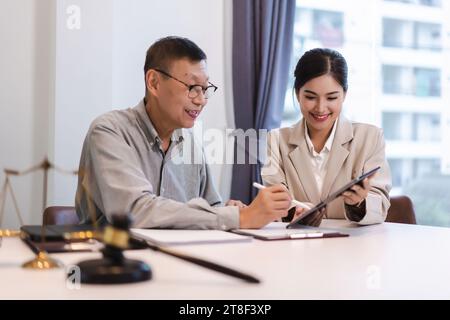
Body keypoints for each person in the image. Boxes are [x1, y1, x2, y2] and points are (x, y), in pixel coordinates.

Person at [75, 36, 292, 229]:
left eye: (205, 89)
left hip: (180, 258)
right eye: (192, 87)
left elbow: (211, 207)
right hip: (118, 265)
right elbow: (135, 210)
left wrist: (231, 208)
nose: (201, 100)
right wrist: (237, 217)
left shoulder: (189, 143)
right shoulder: (109, 132)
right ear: (154, 83)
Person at [261, 48, 391, 226]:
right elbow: (274, 198)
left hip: (353, 246)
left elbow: (381, 204)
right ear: (298, 93)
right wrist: (292, 211)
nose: (321, 108)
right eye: (310, 97)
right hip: (297, 246)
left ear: (344, 95)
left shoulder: (370, 138)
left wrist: (358, 203)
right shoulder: (276, 141)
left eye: (331, 98)